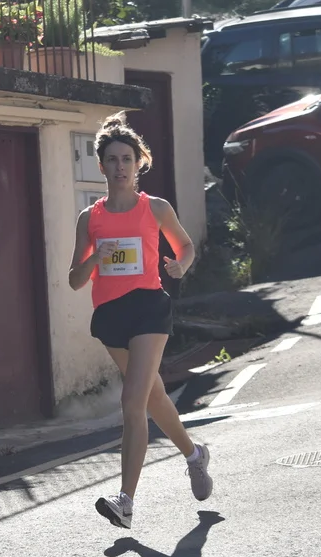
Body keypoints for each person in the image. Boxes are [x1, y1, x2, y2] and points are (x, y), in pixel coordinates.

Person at [68, 112, 213, 530]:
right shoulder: (90, 218)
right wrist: (94, 259)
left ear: (138, 163)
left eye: (127, 159)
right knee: (152, 396)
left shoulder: (157, 208)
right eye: (112, 160)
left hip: (149, 308)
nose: (120, 167)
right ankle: (194, 455)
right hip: (110, 316)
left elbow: (185, 246)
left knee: (132, 402)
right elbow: (75, 279)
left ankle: (125, 501)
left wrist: (181, 266)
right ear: (101, 166)